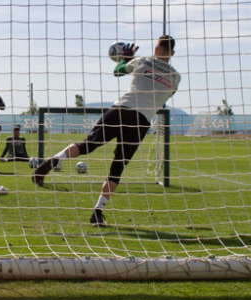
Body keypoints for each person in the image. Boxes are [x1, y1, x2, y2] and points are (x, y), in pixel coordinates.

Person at [33, 35, 181, 226]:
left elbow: (117, 72)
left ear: (155, 49)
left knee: (87, 145)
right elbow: (166, 97)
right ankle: (97, 211)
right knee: (117, 168)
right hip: (141, 120)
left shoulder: (143, 60)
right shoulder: (176, 77)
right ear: (172, 53)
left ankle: (53, 160)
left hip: (121, 110)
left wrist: (124, 60)